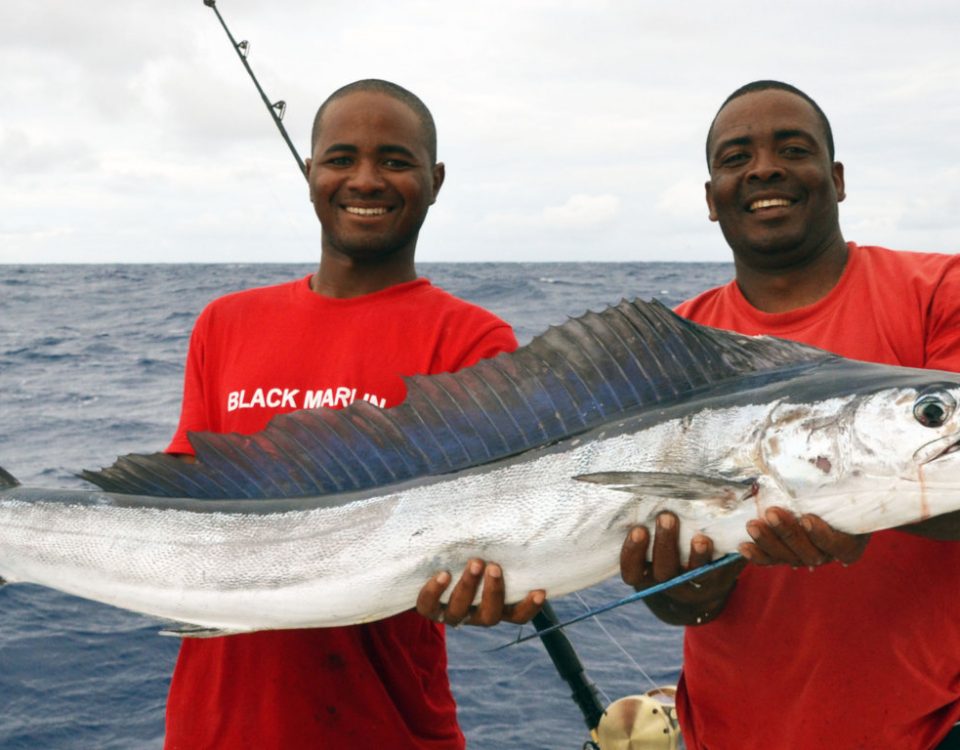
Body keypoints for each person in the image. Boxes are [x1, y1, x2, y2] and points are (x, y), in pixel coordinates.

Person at [163, 79, 542, 750]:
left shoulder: (474, 341)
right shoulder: (225, 323)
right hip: (212, 729)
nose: (365, 180)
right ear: (311, 173)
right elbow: (181, 502)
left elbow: (497, 538)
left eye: (395, 161)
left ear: (435, 179)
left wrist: (500, 591)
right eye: (341, 159)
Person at [620, 80, 960, 749]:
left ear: (836, 179)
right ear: (713, 198)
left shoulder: (939, 292)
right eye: (736, 156)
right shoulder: (669, 349)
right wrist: (692, 581)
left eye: (793, 149)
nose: (765, 168)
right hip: (728, 731)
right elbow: (677, 600)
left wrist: (854, 506)